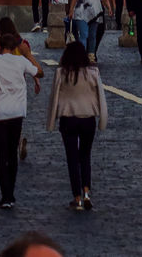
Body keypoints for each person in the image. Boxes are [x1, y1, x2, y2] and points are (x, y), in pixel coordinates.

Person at [0, 26, 42, 211]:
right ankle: (11, 193)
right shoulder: (20, 62)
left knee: (1, 154)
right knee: (12, 153)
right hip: (17, 112)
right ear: (13, 46)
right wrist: (29, 57)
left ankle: (4, 195)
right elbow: (39, 72)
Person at [46, 37, 107, 211]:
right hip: (88, 119)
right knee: (85, 156)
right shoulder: (93, 73)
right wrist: (102, 119)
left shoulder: (61, 73)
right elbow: (100, 97)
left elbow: (54, 99)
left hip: (68, 119)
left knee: (72, 158)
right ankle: (87, 192)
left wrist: (51, 122)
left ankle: (77, 197)